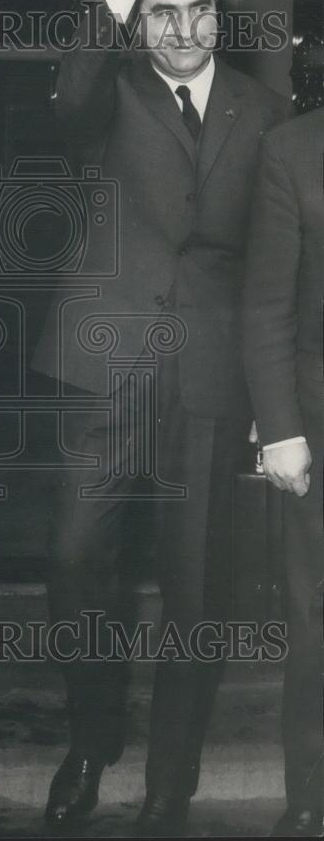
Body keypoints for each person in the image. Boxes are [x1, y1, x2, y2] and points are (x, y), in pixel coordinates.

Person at [32, 0, 294, 835]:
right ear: (139, 19)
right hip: (102, 364)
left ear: (218, 13)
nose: (182, 30)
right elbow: (58, 104)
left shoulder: (266, 115)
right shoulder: (105, 92)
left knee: (195, 588)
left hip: (210, 378)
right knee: (72, 560)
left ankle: (168, 783)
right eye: (162, 11)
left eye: (197, 11)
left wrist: (276, 404)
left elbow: (278, 267)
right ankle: (91, 740)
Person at [243, 109, 324, 838]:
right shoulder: (292, 149)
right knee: (315, 616)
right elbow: (267, 300)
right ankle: (311, 791)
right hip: (319, 415)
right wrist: (281, 429)